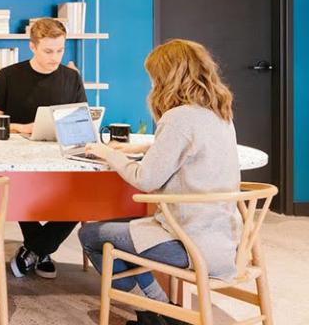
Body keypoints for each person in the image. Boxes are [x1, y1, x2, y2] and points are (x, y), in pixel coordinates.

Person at [80, 39, 240, 325]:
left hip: (187, 243)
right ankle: (161, 315)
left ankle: (154, 314)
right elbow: (189, 149)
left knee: (91, 235)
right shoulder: (219, 113)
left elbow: (146, 179)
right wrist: (139, 149)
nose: (152, 84)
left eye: (153, 78)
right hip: (222, 239)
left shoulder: (178, 118)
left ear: (167, 77)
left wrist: (106, 153)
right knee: (125, 232)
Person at [0, 18, 86, 280]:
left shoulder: (72, 77)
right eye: (48, 51)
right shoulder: (9, 75)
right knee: (16, 189)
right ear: (32, 47)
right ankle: (43, 250)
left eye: (60, 50)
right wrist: (21, 128)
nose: (55, 57)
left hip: (60, 158)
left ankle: (36, 249)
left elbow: (81, 121)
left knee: (82, 197)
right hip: (15, 160)